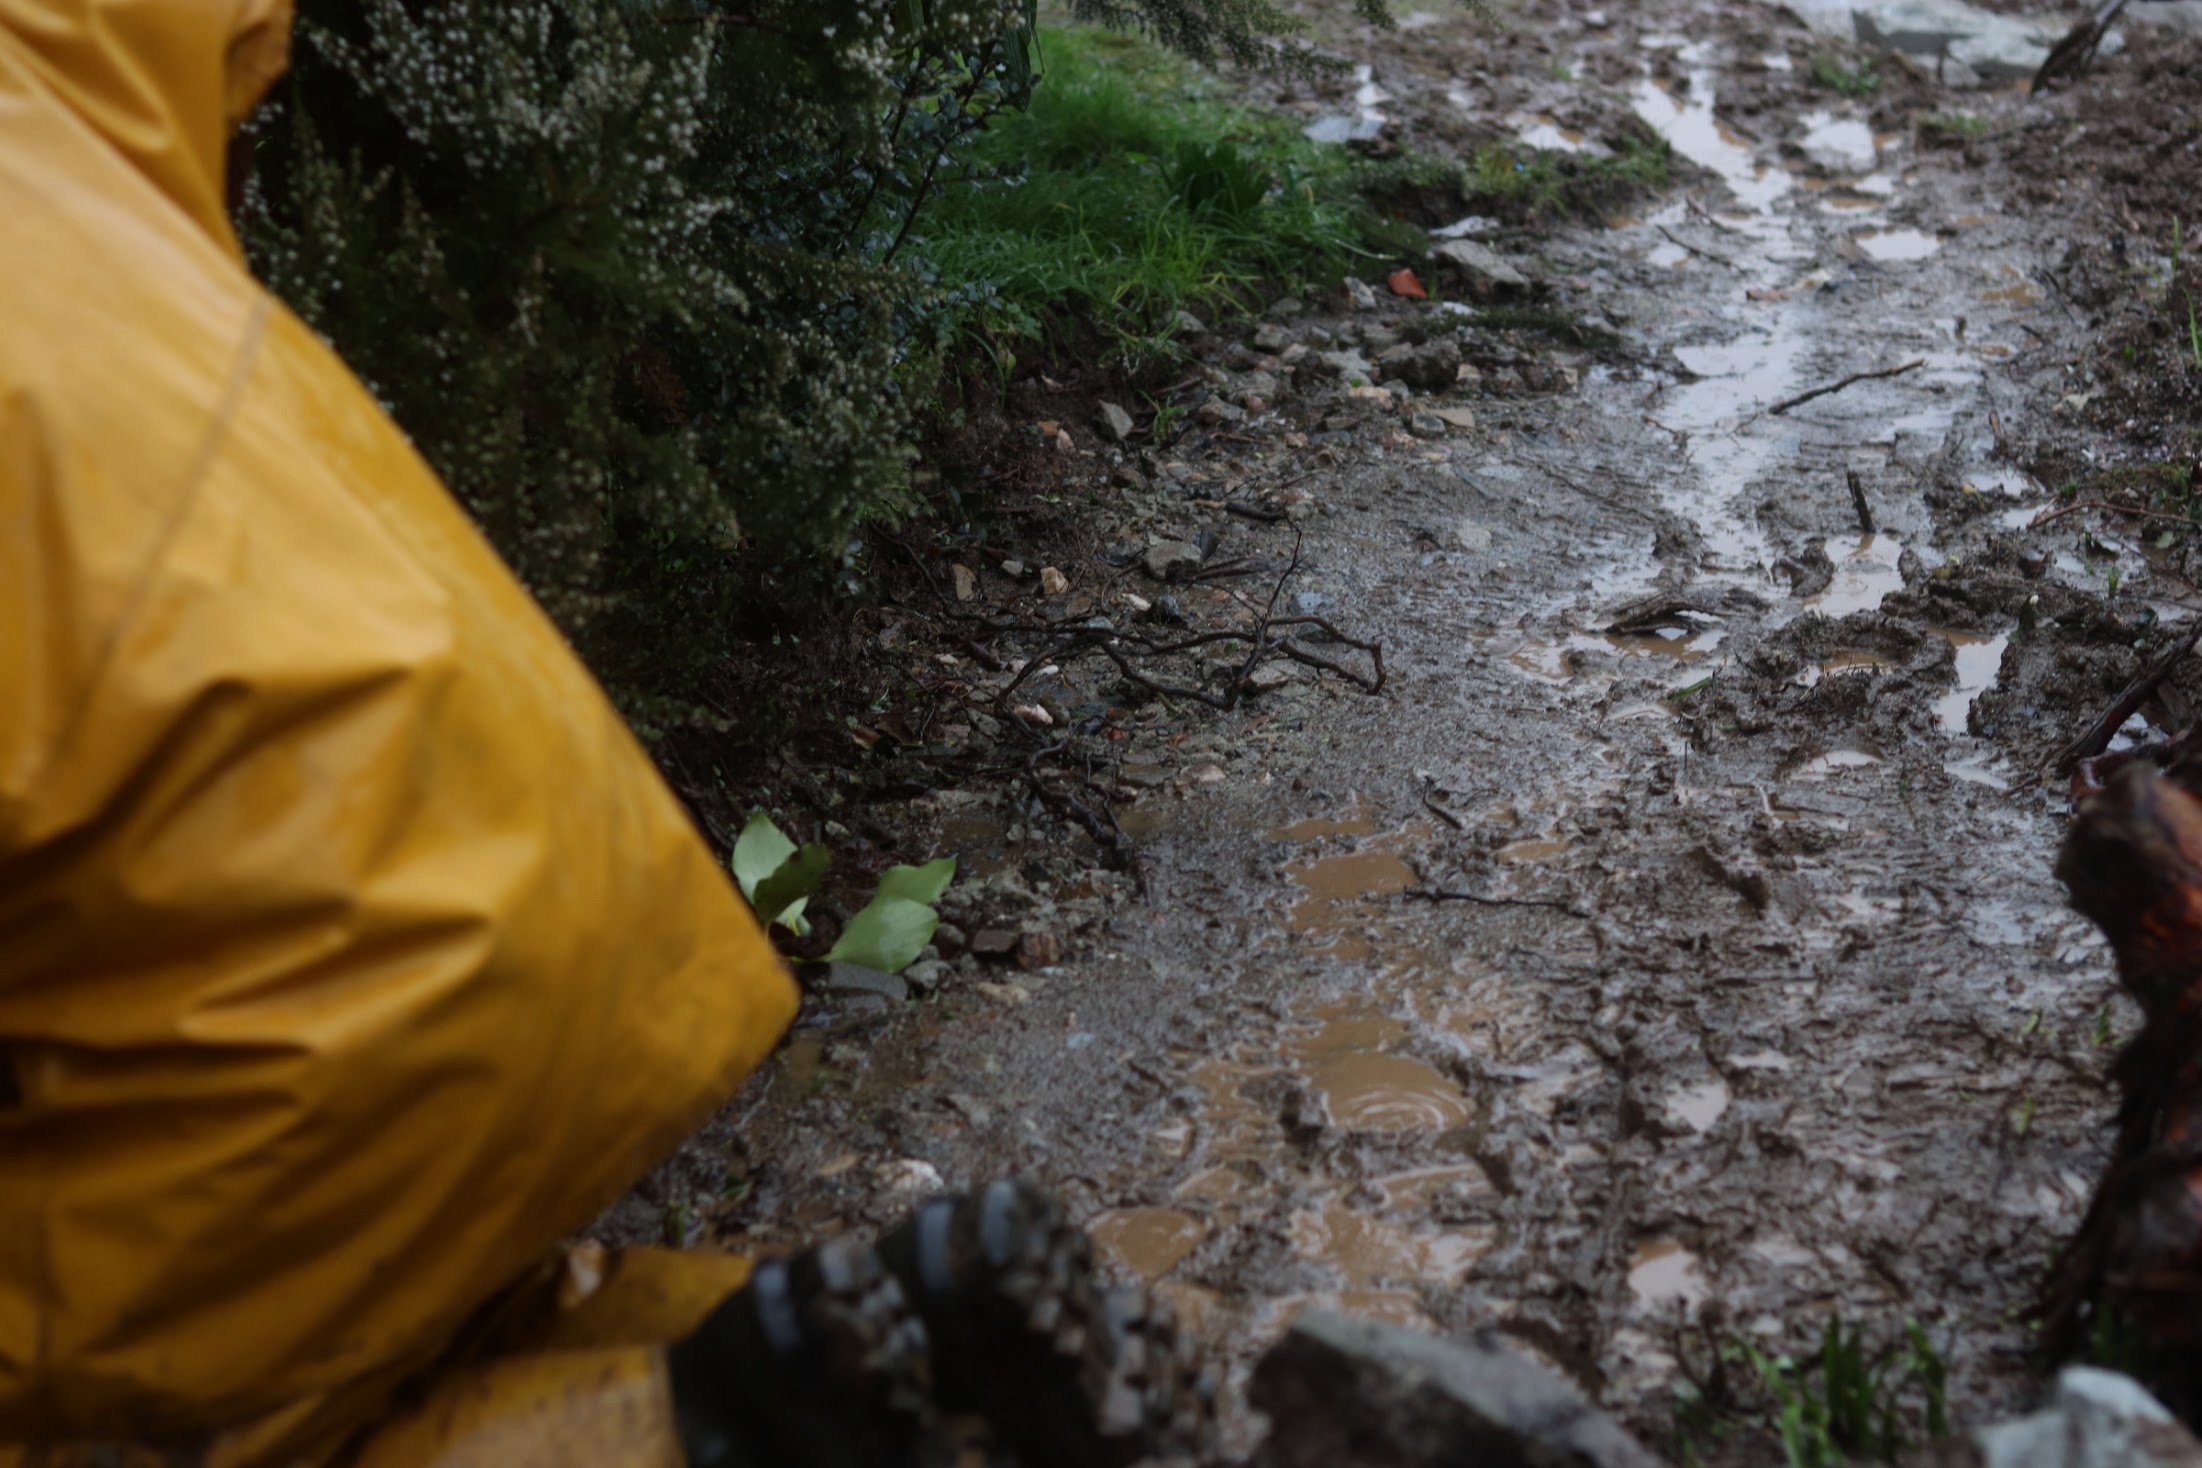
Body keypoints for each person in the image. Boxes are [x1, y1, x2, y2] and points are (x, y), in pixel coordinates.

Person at [0, 3, 1206, 1463]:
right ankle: (769, 1381)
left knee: (127, 1402)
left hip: (275, 1007)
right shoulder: (63, 93)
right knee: (398, 1316)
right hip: (522, 886)